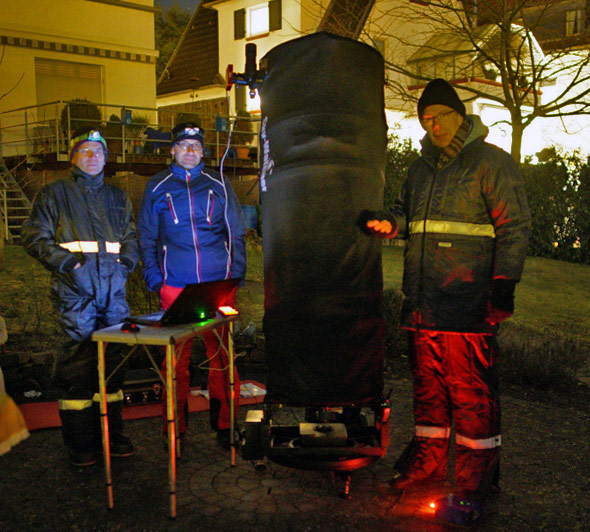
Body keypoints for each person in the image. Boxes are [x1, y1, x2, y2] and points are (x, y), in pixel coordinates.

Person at [364, 79, 531, 505]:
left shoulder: (492, 164)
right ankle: (428, 462)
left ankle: (476, 482)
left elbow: (514, 228)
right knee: (429, 393)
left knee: (472, 396)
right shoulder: (421, 169)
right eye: (425, 118)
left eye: (439, 116)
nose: (432, 124)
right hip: (423, 307)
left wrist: (503, 288)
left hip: (469, 305)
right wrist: (390, 223)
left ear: (461, 115)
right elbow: (408, 215)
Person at [22, 127, 139, 466]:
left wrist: (127, 261)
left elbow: (130, 237)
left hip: (114, 297)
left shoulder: (118, 198)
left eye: (98, 151)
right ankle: (81, 445)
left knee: (113, 371)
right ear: (73, 157)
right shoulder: (54, 194)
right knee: (77, 372)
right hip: (75, 297)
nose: (93, 157)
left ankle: (112, 437)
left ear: (106, 158)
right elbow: (33, 237)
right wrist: (69, 263)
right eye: (85, 151)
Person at [137, 122, 246, 449]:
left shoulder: (219, 184)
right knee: (175, 364)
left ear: (203, 150)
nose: (189, 150)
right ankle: (175, 426)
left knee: (223, 360)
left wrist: (232, 279)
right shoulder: (157, 186)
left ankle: (225, 424)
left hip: (217, 288)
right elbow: (146, 239)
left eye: (195, 145)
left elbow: (236, 235)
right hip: (176, 289)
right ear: (172, 149)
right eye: (183, 144)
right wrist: (157, 283)